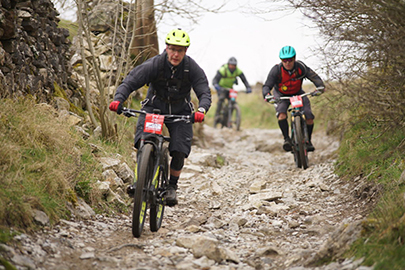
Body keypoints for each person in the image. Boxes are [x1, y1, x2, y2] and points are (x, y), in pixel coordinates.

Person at [109, 28, 211, 206]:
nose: (175, 54)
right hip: (154, 108)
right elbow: (131, 81)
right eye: (172, 49)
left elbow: (204, 90)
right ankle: (140, 180)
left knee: (179, 149)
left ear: (185, 51)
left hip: (180, 112)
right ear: (166, 48)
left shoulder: (191, 67)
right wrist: (118, 99)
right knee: (144, 140)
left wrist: (201, 110)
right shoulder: (155, 64)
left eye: (179, 50)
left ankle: (172, 186)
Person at [262, 46, 325, 152]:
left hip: (298, 94)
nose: (287, 63)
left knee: (309, 116)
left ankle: (308, 141)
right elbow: (267, 86)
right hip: (281, 95)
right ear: (281, 60)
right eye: (284, 60)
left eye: (290, 60)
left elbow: (314, 76)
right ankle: (287, 139)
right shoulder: (276, 70)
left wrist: (320, 87)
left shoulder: (301, 67)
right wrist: (267, 95)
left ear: (294, 58)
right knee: (281, 115)